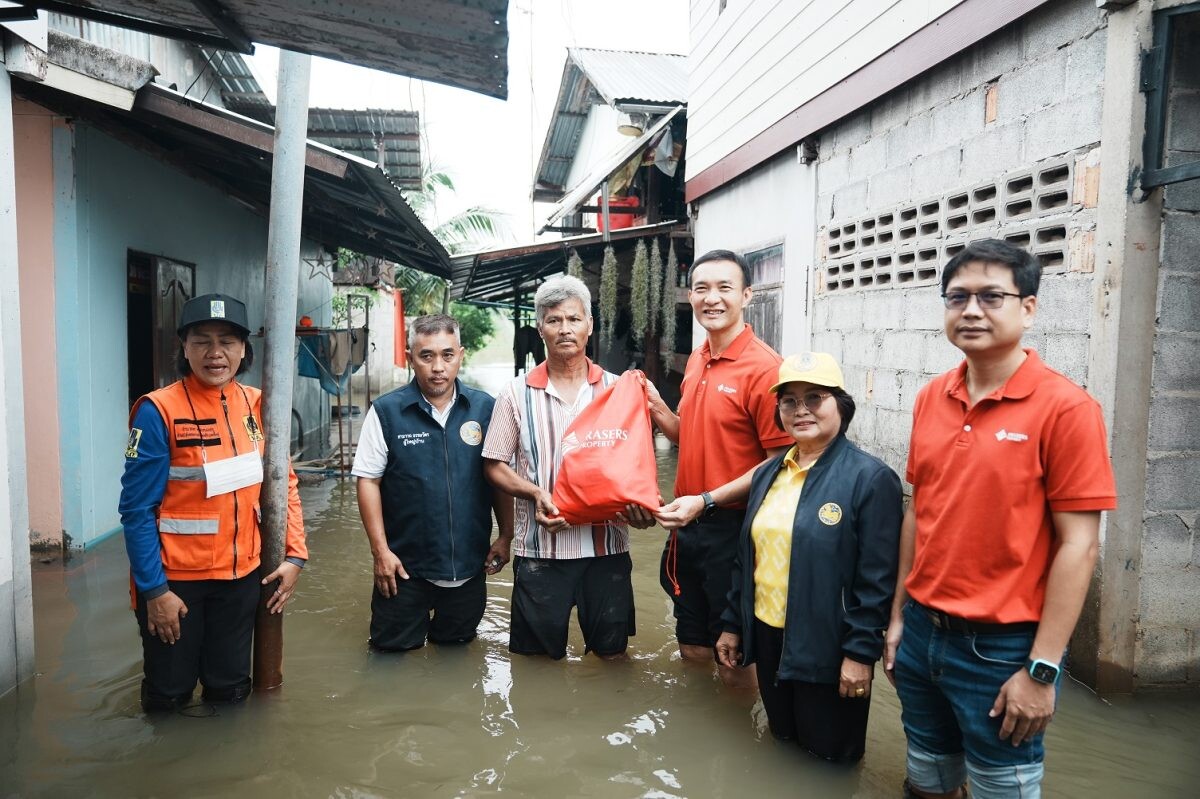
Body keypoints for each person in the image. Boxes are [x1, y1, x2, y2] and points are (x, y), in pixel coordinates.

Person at [884, 240, 1117, 798]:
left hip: (1003, 650)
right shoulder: (929, 398)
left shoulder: (1067, 409)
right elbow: (921, 512)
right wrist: (898, 621)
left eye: (991, 297)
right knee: (927, 782)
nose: (970, 311)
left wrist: (1042, 671)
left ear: (1028, 308)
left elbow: (1079, 547)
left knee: (1001, 788)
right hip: (921, 634)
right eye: (957, 297)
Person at [119, 293, 307, 712]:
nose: (215, 353)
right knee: (169, 694)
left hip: (241, 579)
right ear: (184, 348)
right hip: (176, 583)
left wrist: (295, 556)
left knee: (230, 690)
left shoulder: (260, 404)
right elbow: (135, 511)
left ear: (245, 349)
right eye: (202, 340)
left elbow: (284, 485)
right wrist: (154, 591)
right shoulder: (158, 411)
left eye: (228, 341)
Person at [714, 353, 902, 762]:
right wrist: (733, 625)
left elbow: (877, 582)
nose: (801, 410)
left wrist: (858, 655)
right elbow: (747, 561)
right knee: (782, 744)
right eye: (789, 401)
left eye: (814, 398)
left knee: (829, 761)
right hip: (767, 636)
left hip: (829, 646)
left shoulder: (870, 479)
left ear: (841, 405)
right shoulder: (768, 474)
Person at [482, 275, 653, 660]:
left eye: (574, 319)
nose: (565, 329)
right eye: (554, 320)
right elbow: (493, 465)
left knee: (612, 659)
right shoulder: (515, 392)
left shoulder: (620, 390)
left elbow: (637, 465)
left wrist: (643, 511)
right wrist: (534, 493)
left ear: (590, 325)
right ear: (539, 326)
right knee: (536, 663)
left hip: (607, 550)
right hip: (539, 554)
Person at [645, 249, 792, 685]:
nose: (712, 298)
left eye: (724, 288)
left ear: (746, 295)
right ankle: (698, 728)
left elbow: (778, 464)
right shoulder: (697, 358)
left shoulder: (766, 370)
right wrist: (655, 408)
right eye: (702, 288)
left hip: (735, 528)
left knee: (734, 655)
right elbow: (690, 436)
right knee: (691, 644)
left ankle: (735, 740)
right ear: (690, 295)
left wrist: (705, 501)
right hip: (687, 525)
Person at [351, 314, 514, 651]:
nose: (438, 366)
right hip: (403, 570)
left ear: (461, 355)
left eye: (447, 355)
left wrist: (506, 535)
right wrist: (380, 552)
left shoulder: (485, 409)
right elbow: (368, 481)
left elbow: (499, 478)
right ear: (411, 357)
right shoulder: (386, 412)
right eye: (426, 356)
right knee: (389, 658)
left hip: (470, 568)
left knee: (455, 656)